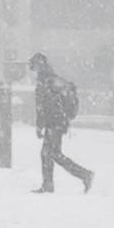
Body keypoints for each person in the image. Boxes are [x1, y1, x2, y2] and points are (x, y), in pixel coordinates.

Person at [31, 51, 94, 194]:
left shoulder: (45, 82)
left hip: (54, 122)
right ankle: (48, 185)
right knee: (48, 153)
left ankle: (84, 175)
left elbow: (42, 106)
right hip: (58, 122)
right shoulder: (54, 80)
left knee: (52, 153)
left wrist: (39, 125)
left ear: (38, 67)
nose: (33, 71)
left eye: (34, 67)